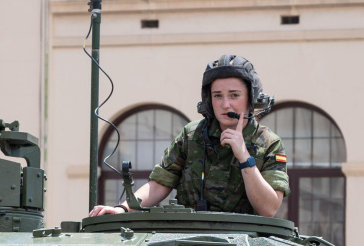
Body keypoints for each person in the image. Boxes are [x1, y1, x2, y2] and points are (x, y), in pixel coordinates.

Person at [89, 55, 288, 217]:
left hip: (247, 245)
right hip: (190, 241)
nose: (225, 104)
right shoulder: (193, 135)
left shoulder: (269, 143)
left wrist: (244, 157)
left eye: (234, 95)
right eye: (217, 96)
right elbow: (160, 183)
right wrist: (122, 209)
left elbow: (268, 208)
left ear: (251, 99)